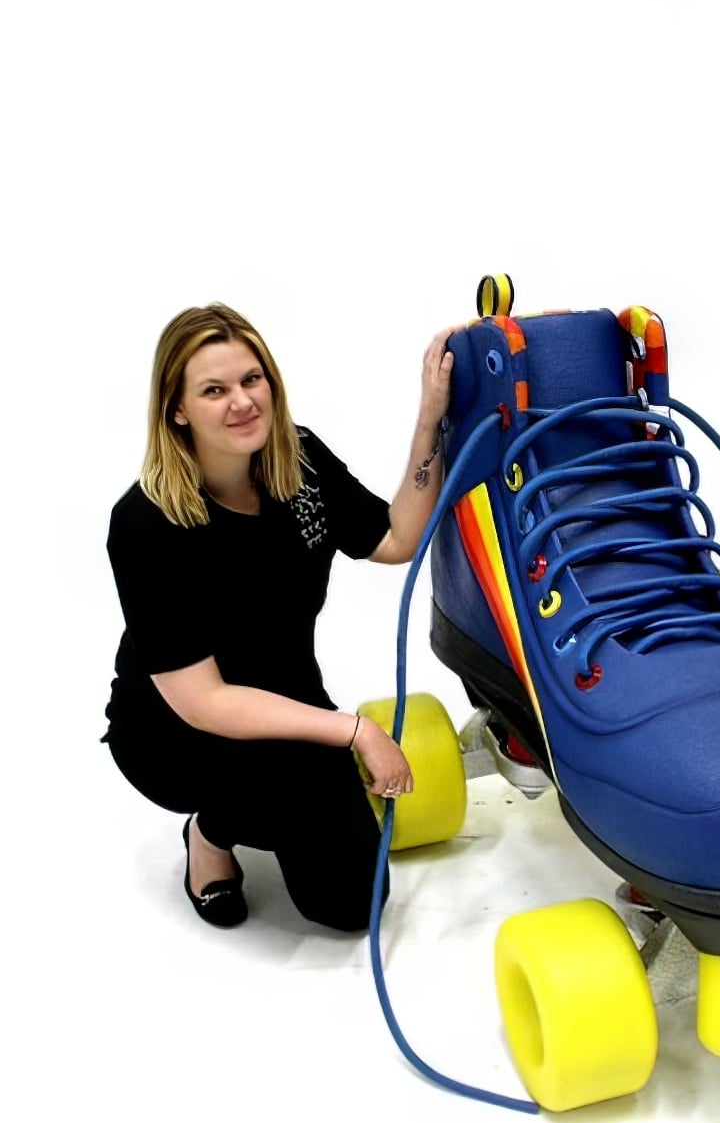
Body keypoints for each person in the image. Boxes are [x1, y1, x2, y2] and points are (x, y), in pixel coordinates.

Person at [104, 302, 456, 931]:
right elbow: (206, 702)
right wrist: (355, 731)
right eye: (214, 390)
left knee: (352, 905)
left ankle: (271, 804)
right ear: (177, 409)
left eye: (251, 379)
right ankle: (209, 835)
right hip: (176, 729)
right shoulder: (145, 524)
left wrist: (432, 417)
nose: (242, 402)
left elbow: (396, 538)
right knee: (258, 778)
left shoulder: (300, 461)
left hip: (285, 699)